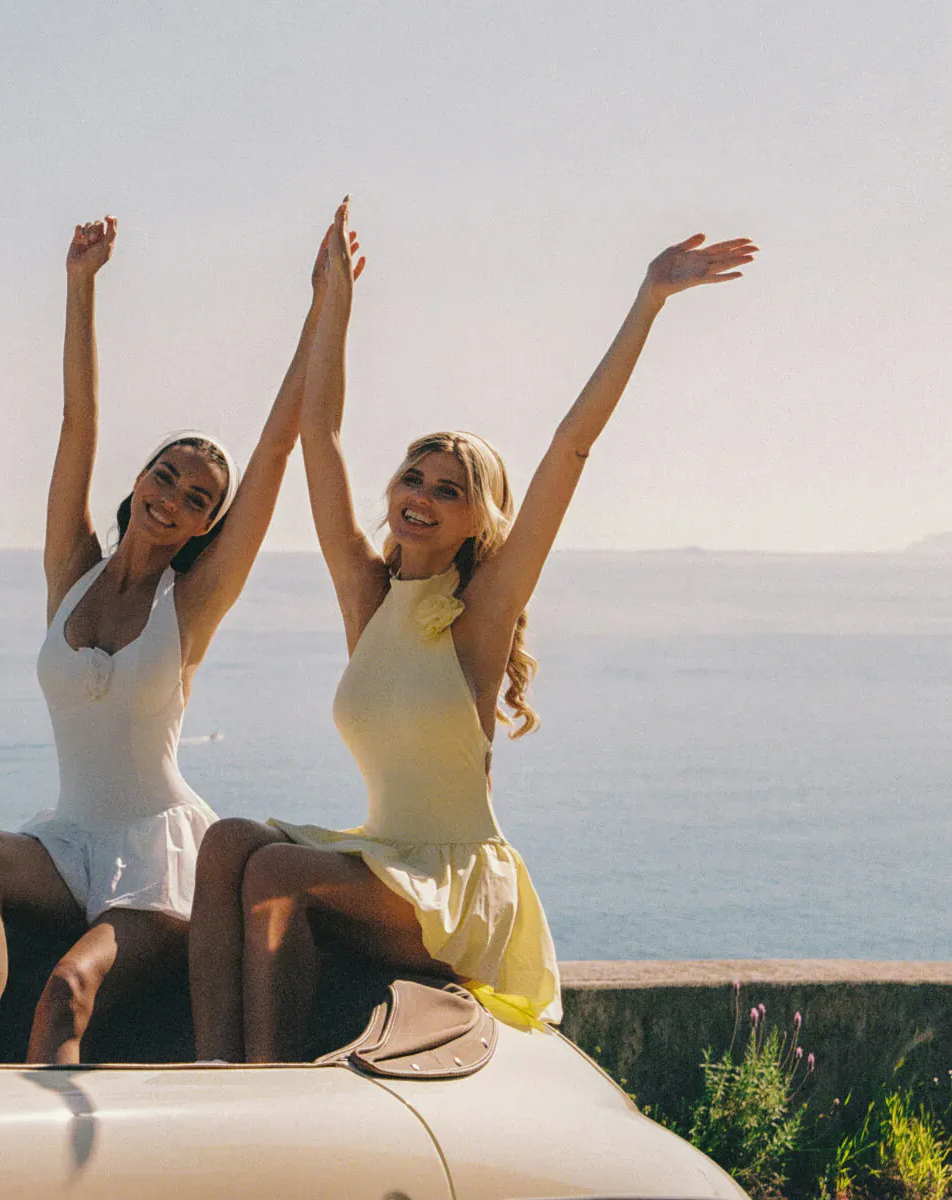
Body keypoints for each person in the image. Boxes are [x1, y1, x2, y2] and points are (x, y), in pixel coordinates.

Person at [189, 200, 758, 1063]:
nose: (419, 493)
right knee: (228, 841)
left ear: (474, 520)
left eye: (447, 489)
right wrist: (334, 298)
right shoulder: (367, 597)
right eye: (412, 477)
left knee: (270, 870)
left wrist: (647, 301)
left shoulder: (477, 614)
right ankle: (209, 1064)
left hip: (454, 887)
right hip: (387, 863)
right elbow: (320, 433)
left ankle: (263, 1086)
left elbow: (570, 447)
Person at [0, 212, 363, 1065]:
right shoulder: (73, 572)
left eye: (199, 498)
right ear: (139, 480)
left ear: (208, 522)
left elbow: (277, 450)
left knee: (65, 991)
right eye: (165, 475)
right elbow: (75, 422)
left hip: (157, 860)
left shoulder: (192, 602)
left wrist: (322, 310)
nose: (174, 498)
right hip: (65, 845)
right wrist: (80, 286)